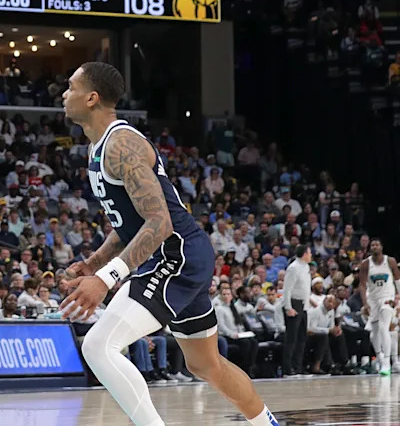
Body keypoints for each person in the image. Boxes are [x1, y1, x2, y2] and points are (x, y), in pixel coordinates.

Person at [58, 63, 276, 426]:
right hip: (177, 256)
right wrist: (95, 262)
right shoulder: (99, 146)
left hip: (176, 255)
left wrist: (107, 278)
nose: (64, 94)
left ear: (92, 98)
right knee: (205, 364)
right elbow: (131, 221)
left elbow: (160, 222)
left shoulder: (122, 144)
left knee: (98, 346)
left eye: (71, 86)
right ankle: (267, 423)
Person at [357, 238, 400, 375]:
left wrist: (398, 298)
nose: (374, 246)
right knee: (374, 332)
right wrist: (365, 303)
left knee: (383, 328)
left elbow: (398, 280)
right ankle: (380, 355)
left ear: (381, 247)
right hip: (373, 300)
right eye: (372, 245)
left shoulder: (390, 261)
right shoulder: (365, 264)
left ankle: (387, 363)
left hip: (387, 297)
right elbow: (362, 285)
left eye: (377, 244)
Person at [283, 244, 312, 377]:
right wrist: (288, 307)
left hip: (303, 305)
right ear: (305, 254)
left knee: (301, 338)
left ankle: (298, 367)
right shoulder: (293, 268)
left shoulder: (306, 267)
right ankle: (287, 369)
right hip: (294, 303)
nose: (311, 255)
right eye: (309, 252)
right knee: (291, 338)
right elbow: (287, 289)